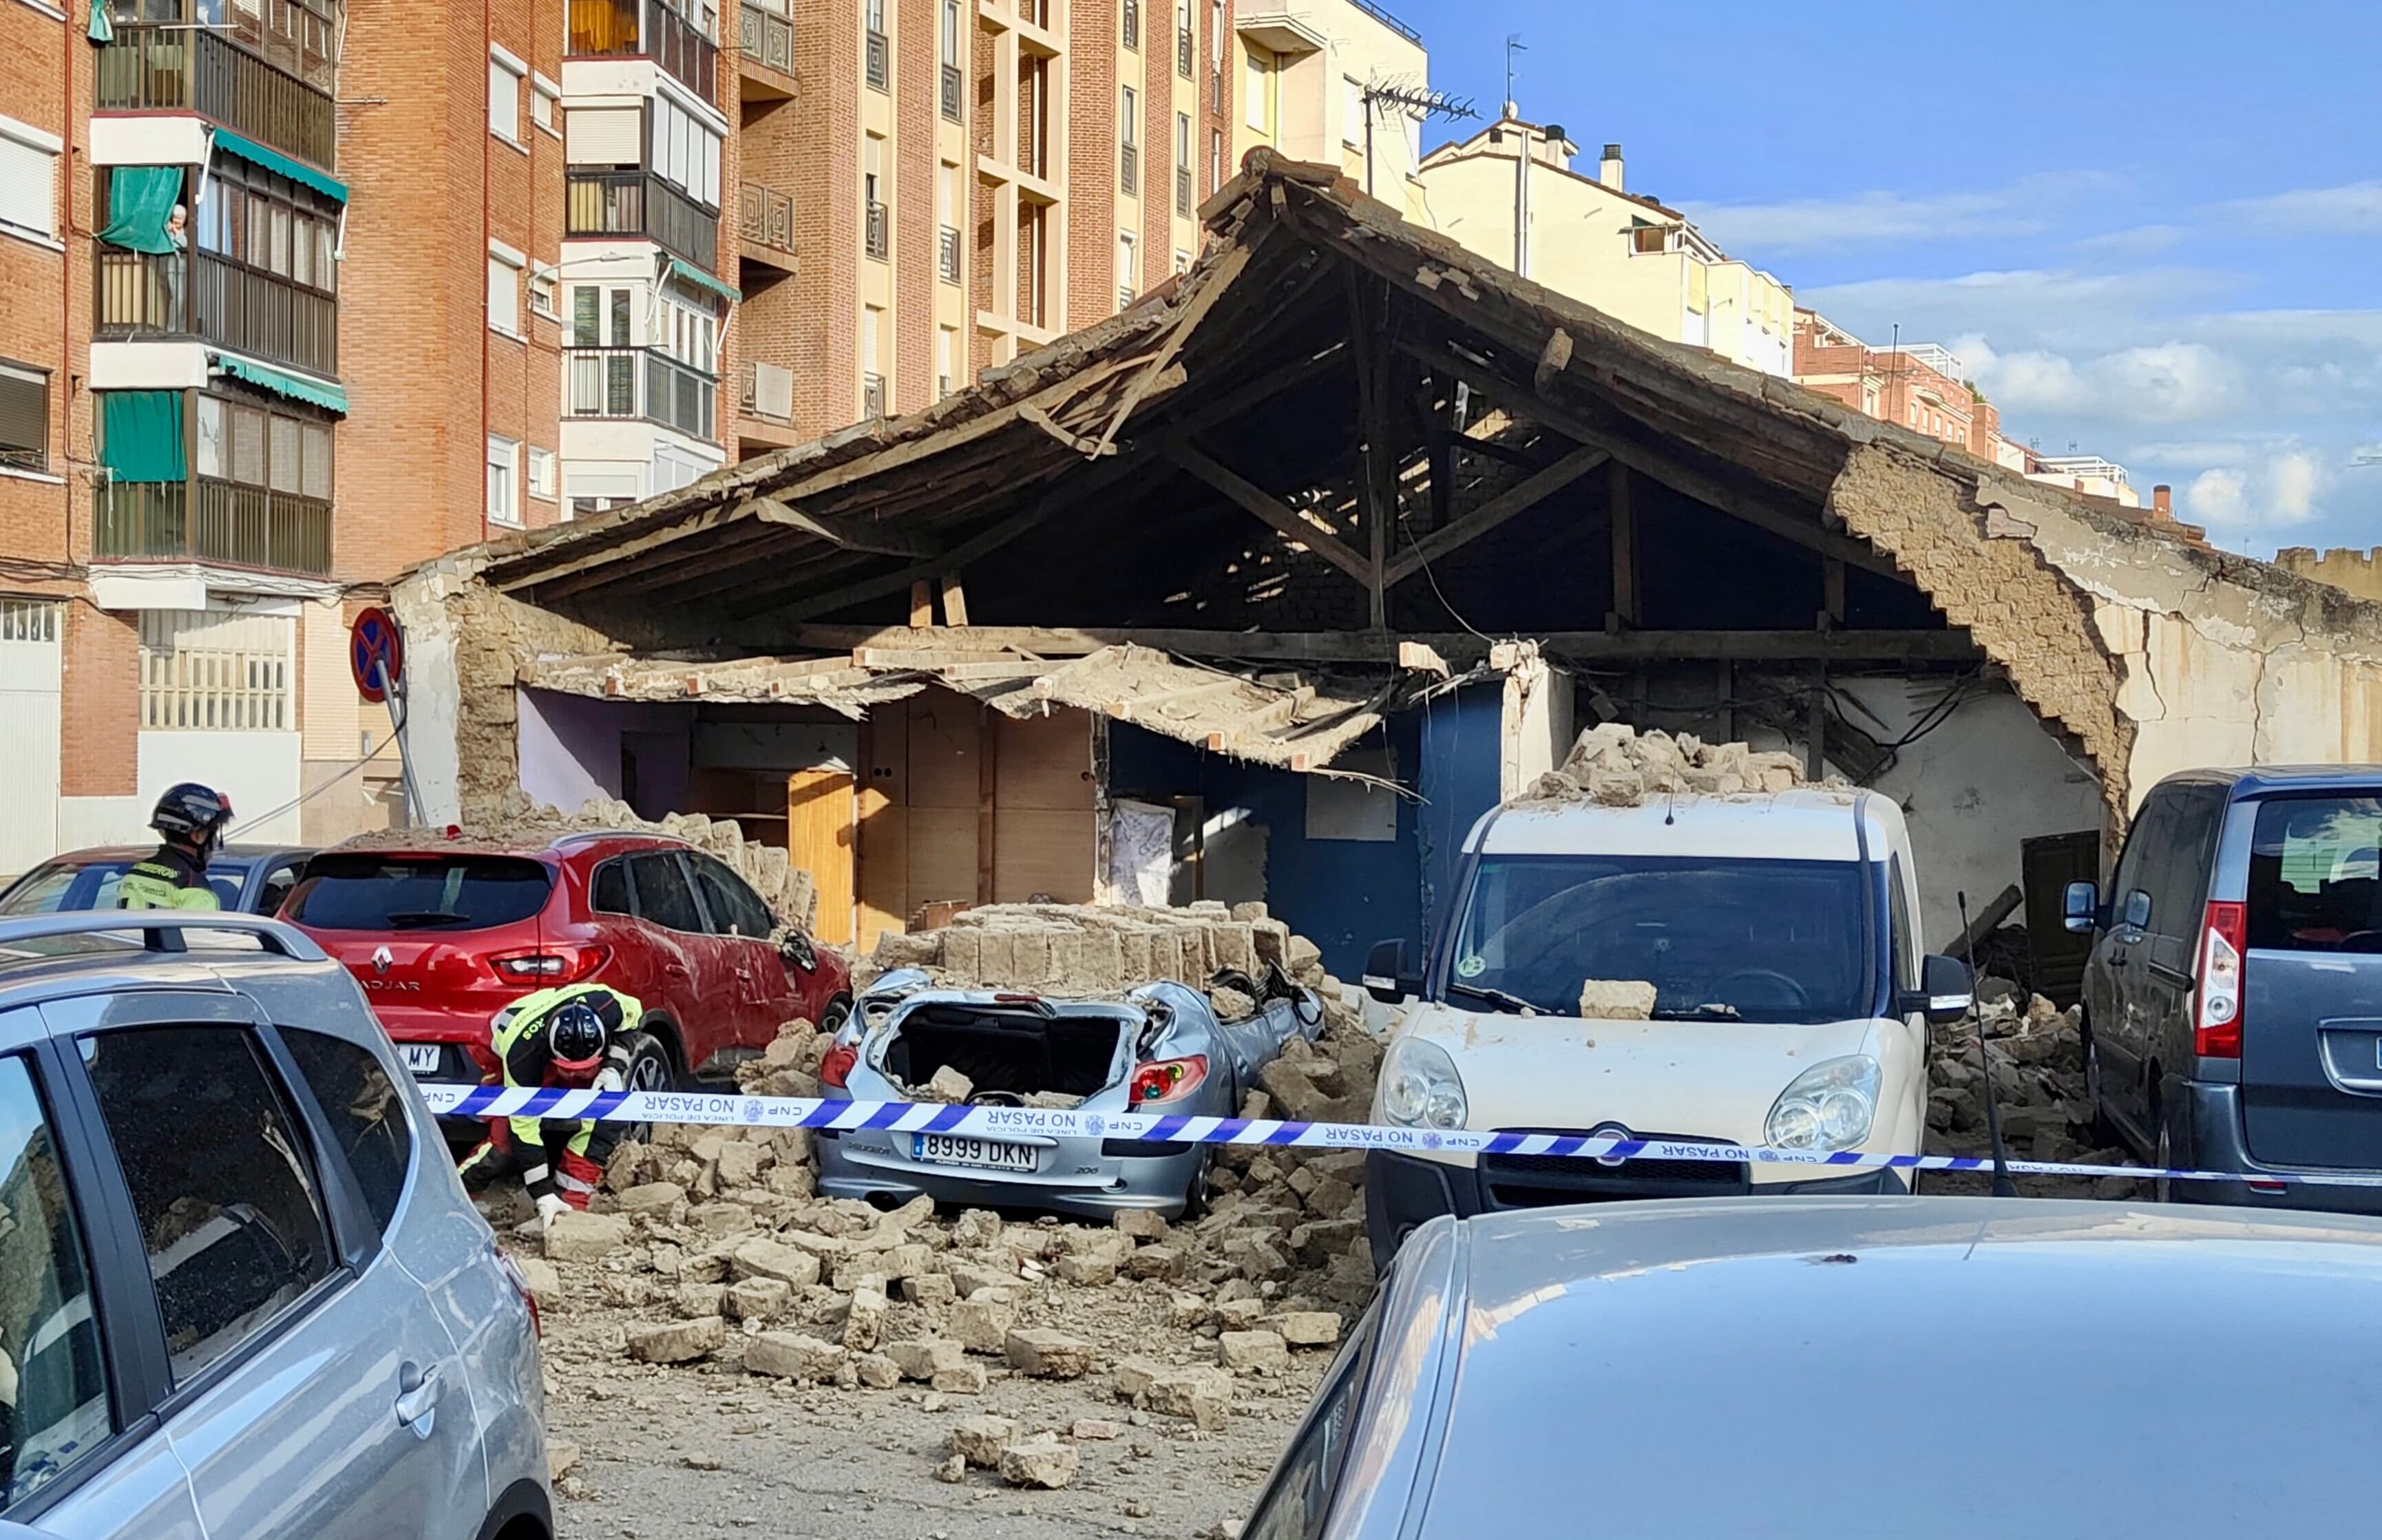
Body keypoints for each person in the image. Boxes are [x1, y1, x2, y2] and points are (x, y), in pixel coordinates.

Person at [457, 982, 642, 1231]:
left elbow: (632, 1022)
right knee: (504, 1141)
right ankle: (458, 1197)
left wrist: (612, 1066)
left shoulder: (610, 1005)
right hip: (499, 1046)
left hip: (556, 1038)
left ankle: (571, 1206)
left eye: (587, 1068)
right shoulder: (522, 1055)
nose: (578, 1077)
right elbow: (524, 1128)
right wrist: (542, 1193)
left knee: (605, 1119)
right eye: (569, 1070)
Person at [117, 783, 232, 911]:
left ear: (163, 832)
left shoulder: (135, 872)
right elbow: (197, 931)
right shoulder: (195, 889)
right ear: (198, 835)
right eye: (213, 834)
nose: (216, 843)